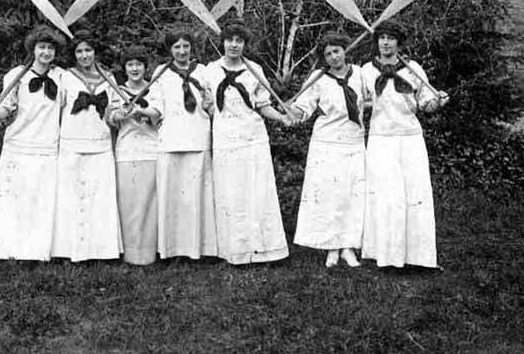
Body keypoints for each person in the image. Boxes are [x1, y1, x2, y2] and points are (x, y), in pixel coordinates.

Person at [360, 23, 449, 268]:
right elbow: (359, 101)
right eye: (382, 38)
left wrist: (438, 102)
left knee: (413, 195)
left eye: (391, 39)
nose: (386, 43)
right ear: (376, 42)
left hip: (410, 139)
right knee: (385, 196)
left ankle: (417, 257)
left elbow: (426, 103)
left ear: (399, 43)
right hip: (380, 139)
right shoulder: (366, 71)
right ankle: (385, 255)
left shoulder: (413, 68)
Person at [204, 19, 291, 264]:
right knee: (230, 193)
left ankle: (263, 250)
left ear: (244, 44)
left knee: (256, 193)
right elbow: (207, 105)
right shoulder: (209, 70)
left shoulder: (255, 70)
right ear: (222, 42)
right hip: (225, 140)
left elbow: (263, 105)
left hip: (253, 139)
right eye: (230, 40)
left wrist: (283, 118)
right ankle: (234, 251)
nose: (234, 45)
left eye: (239, 41)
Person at [0, 25, 66, 261]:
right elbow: (5, 106)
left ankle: (37, 252)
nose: (46, 52)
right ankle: (13, 251)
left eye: (50, 48)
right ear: (33, 49)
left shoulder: (61, 77)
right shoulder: (16, 75)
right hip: (19, 145)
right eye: (42, 47)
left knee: (40, 202)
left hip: (47, 146)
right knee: (17, 201)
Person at [290, 32, 366, 268]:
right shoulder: (318, 78)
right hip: (326, 144)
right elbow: (304, 107)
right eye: (328, 54)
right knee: (330, 196)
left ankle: (348, 247)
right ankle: (332, 248)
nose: (334, 57)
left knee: (352, 196)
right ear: (324, 58)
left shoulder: (361, 73)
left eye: (337, 51)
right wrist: (292, 111)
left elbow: (376, 98)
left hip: (354, 142)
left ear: (345, 50)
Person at [145, 26, 217, 260]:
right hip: (171, 139)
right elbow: (156, 105)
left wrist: (209, 103)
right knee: (173, 197)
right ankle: (172, 249)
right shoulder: (161, 72)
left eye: (186, 46)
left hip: (197, 137)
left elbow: (211, 104)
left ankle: (199, 249)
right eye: (177, 46)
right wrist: (141, 111)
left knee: (196, 197)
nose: (182, 51)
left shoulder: (204, 71)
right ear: (170, 49)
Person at [51, 28, 122, 261]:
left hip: (100, 145)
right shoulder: (64, 77)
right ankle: (67, 250)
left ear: (95, 52)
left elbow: (114, 111)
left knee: (98, 198)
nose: (84, 56)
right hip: (71, 142)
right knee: (69, 198)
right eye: (79, 51)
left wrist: (119, 115)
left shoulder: (109, 78)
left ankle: (101, 251)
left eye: (88, 50)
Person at [108, 46, 159, 265]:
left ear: (146, 67)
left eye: (139, 64)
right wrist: (119, 114)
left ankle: (148, 253)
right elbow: (109, 117)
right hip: (126, 151)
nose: (135, 68)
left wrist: (143, 111)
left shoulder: (156, 89)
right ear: (125, 67)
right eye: (130, 64)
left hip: (151, 150)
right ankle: (131, 253)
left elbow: (160, 116)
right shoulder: (116, 90)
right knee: (128, 204)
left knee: (149, 204)